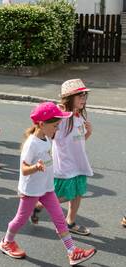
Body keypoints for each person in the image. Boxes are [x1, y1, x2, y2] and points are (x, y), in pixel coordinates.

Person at [0, 102, 96, 266]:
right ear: (42, 124)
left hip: (46, 188)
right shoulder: (32, 143)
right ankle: (7, 241)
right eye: (55, 126)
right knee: (20, 220)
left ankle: (72, 252)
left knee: (59, 218)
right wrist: (35, 167)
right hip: (32, 190)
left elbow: (67, 142)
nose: (57, 129)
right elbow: (23, 169)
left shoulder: (47, 137)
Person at [31, 79, 94, 235]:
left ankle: (70, 222)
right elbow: (48, 128)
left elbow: (77, 142)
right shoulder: (63, 118)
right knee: (65, 195)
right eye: (79, 96)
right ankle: (38, 205)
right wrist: (57, 111)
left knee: (78, 192)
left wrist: (88, 133)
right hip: (65, 164)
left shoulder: (79, 117)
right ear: (69, 98)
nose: (83, 100)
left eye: (84, 96)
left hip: (79, 162)